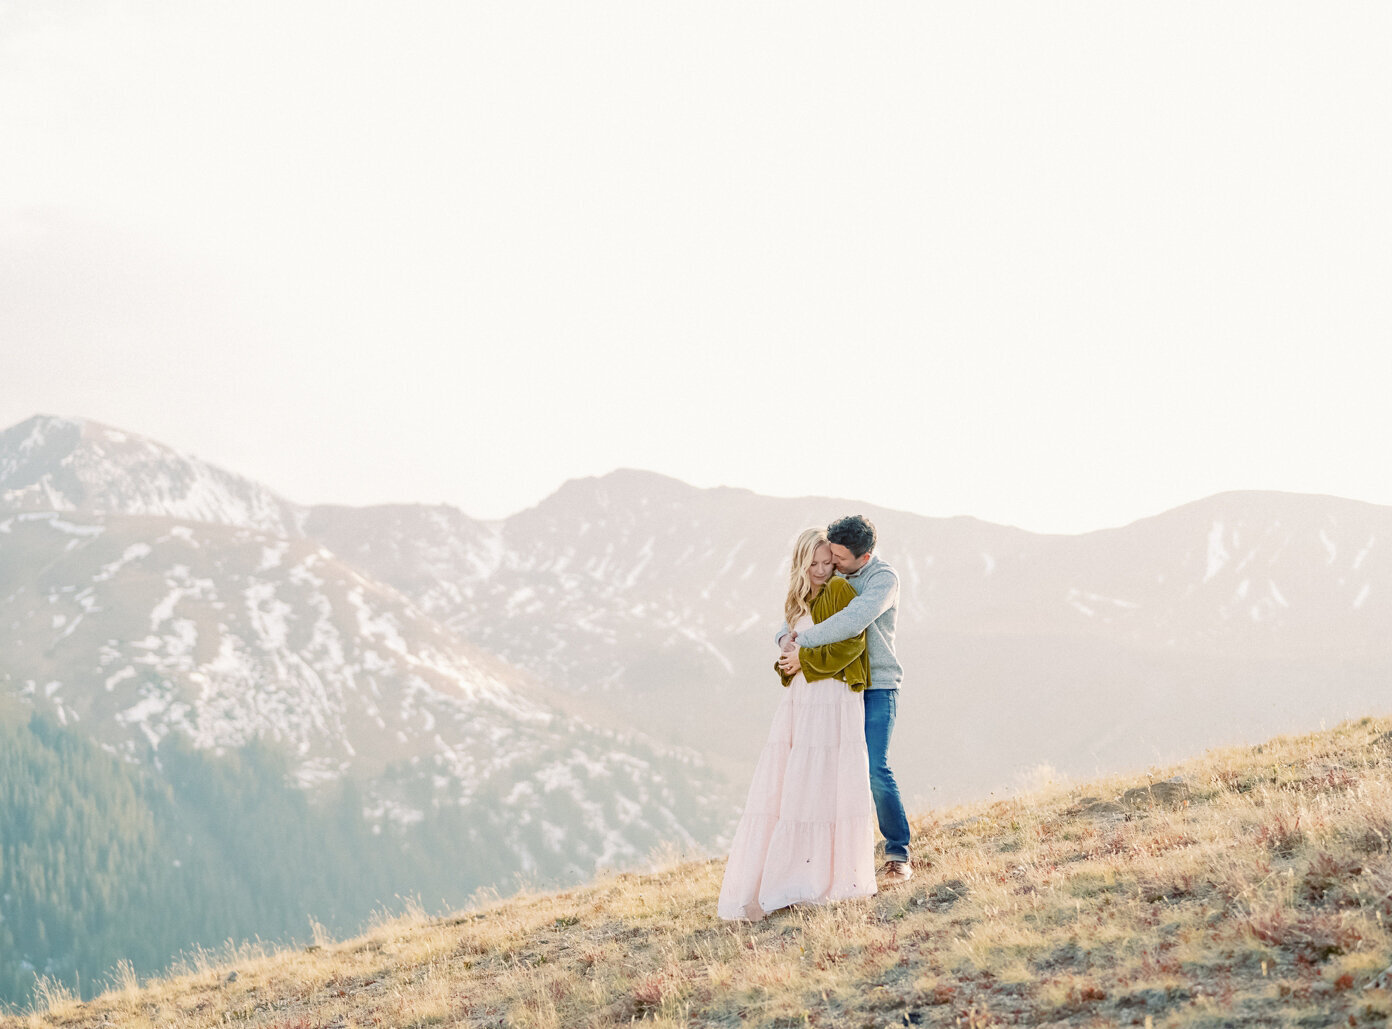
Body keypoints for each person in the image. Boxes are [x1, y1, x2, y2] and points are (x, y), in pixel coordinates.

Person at [717, 527, 877, 921]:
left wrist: (802, 660)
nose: (822, 571)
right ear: (800, 564)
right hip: (803, 699)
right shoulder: (797, 601)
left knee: (822, 781)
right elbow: (795, 646)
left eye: (828, 563)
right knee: (795, 784)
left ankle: (819, 877)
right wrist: (789, 654)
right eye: (814, 564)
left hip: (833, 696)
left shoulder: (839, 591)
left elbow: (851, 644)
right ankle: (792, 874)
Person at [778, 514, 913, 885]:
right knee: (833, 772)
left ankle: (898, 852)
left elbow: (853, 621)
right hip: (838, 689)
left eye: (838, 558)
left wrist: (802, 648)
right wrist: (784, 639)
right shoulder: (835, 576)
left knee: (874, 767)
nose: (831, 563)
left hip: (877, 685)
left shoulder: (882, 579)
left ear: (863, 557)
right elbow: (800, 614)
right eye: (829, 555)